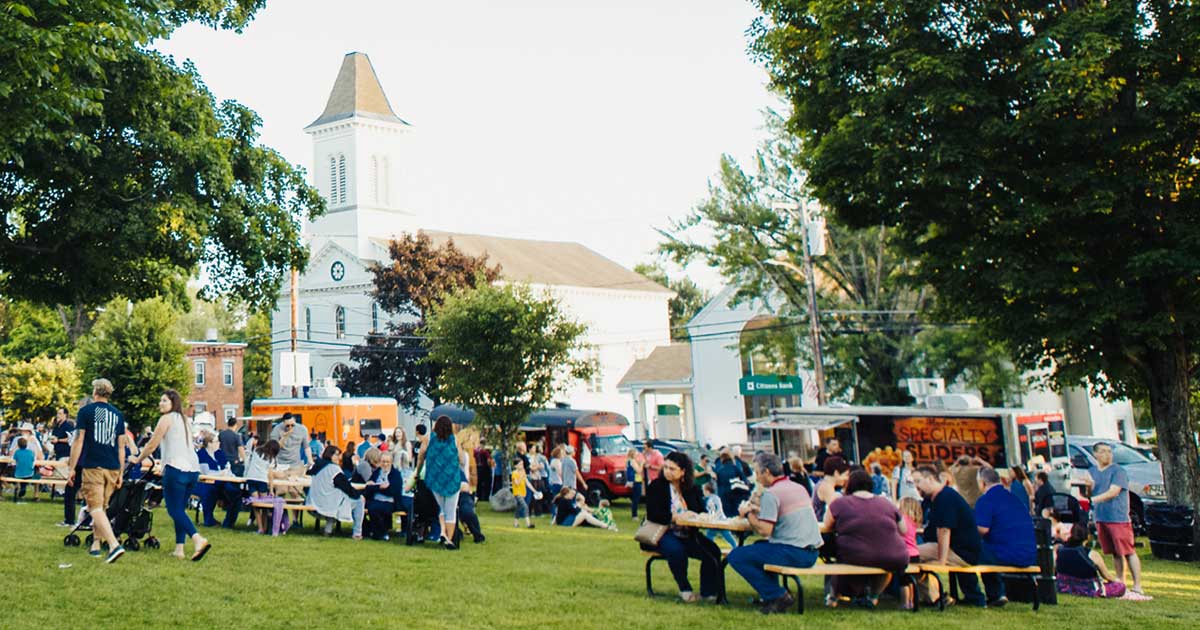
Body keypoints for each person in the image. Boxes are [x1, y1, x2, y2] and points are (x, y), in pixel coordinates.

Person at [728, 453, 823, 614]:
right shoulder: (798, 487)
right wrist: (759, 510)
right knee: (759, 548)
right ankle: (771, 596)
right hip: (811, 552)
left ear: (766, 472)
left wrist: (747, 514)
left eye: (757, 473)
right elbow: (785, 514)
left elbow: (765, 531)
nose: (756, 478)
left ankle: (777, 595)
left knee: (736, 556)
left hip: (794, 552)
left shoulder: (771, 494)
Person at [134, 389, 211, 561]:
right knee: (180, 511)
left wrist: (138, 459)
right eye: (160, 400)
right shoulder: (184, 420)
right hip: (192, 469)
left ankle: (198, 539)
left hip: (175, 469)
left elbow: (152, 444)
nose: (161, 403)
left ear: (173, 403)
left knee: (174, 510)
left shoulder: (165, 419)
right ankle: (179, 549)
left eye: (164, 401)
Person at [913, 465, 1000, 607]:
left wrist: (941, 561)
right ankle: (935, 596)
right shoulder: (937, 498)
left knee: (909, 555)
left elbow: (944, 531)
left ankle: (936, 597)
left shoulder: (944, 498)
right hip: (964, 550)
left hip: (961, 552)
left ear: (930, 479)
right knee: (914, 556)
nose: (916, 486)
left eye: (918, 481)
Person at [641, 451, 722, 603]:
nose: (667, 472)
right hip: (664, 532)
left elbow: (700, 509)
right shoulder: (656, 487)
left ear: (683, 471)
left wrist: (700, 515)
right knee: (676, 550)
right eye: (665, 468)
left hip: (688, 533)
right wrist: (674, 517)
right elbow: (653, 515)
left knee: (713, 551)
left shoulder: (692, 488)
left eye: (672, 469)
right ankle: (684, 589)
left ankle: (708, 592)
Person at [821, 469, 909, 607]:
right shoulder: (886, 503)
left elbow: (827, 525)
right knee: (885, 567)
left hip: (858, 554)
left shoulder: (840, 503)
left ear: (849, 485)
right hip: (895, 555)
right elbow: (904, 530)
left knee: (839, 560)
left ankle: (833, 597)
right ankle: (874, 596)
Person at [68, 378, 131, 564]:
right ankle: (96, 543)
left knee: (94, 507)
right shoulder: (117, 415)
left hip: (93, 465)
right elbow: (121, 446)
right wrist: (120, 471)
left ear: (95, 391)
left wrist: (72, 467)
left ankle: (113, 545)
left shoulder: (85, 412)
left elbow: (78, 440)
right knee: (101, 507)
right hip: (112, 466)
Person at [1085, 442, 1148, 597]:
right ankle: (1120, 582)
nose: (1107, 454)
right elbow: (1089, 491)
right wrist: (1088, 488)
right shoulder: (1092, 471)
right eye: (1103, 451)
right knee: (1114, 552)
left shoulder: (1118, 471)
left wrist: (1093, 499)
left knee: (1128, 551)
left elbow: (1113, 491)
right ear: (1096, 455)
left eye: (1109, 451)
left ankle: (1138, 585)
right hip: (1101, 517)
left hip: (1118, 517)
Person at [975, 467, 1036, 594]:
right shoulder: (1015, 499)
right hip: (1029, 555)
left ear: (982, 483)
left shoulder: (986, 500)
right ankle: (997, 593)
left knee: (972, 551)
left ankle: (985, 595)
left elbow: (982, 529)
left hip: (1006, 554)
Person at [1055, 522, 1142, 599]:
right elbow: (1107, 576)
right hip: (1087, 588)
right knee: (1119, 587)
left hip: (1063, 585)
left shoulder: (1060, 550)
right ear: (1088, 537)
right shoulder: (1092, 554)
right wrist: (1118, 581)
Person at [415, 415, 463, 550]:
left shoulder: (428, 439)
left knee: (441, 507)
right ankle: (448, 539)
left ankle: (443, 533)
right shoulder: (455, 440)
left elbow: (421, 456)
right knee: (451, 511)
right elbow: (461, 459)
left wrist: (418, 473)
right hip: (452, 479)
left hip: (435, 478)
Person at [307, 444, 364, 539]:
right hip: (327, 502)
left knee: (335, 499)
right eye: (336, 455)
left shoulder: (316, 466)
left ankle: (328, 530)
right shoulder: (334, 469)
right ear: (330, 455)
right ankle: (357, 533)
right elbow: (346, 487)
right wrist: (359, 494)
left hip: (314, 500)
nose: (339, 457)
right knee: (359, 501)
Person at [195, 432, 241, 529]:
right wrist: (221, 473)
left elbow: (227, 469)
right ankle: (209, 520)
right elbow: (206, 473)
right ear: (209, 443)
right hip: (205, 483)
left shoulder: (219, 453)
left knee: (235, 492)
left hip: (222, 482)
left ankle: (229, 522)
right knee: (209, 490)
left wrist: (227, 474)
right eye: (216, 441)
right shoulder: (201, 455)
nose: (219, 443)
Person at [243, 439, 284, 534]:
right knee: (264, 505)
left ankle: (260, 528)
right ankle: (265, 527)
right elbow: (270, 475)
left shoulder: (256, 451)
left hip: (251, 478)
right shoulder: (271, 458)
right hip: (262, 480)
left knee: (256, 505)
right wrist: (271, 489)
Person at [365, 451, 404, 540]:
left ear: (391, 463)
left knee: (377, 509)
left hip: (390, 501)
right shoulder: (376, 472)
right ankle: (375, 532)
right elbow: (369, 486)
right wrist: (380, 487)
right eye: (383, 462)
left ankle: (381, 532)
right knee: (370, 507)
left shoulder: (395, 474)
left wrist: (377, 487)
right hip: (375, 499)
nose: (385, 464)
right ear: (380, 462)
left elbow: (393, 491)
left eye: (387, 462)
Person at [269, 412, 310, 477]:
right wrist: (284, 437)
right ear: (283, 423)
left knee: (295, 486)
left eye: (292, 425)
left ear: (295, 422)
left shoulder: (302, 429)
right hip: (281, 464)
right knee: (282, 485)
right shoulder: (276, 430)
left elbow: (306, 446)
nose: (290, 427)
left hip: (296, 464)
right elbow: (275, 448)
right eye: (287, 426)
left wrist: (310, 460)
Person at [700, 482, 737, 547]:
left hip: (720, 520)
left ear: (707, 491)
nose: (703, 492)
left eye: (703, 490)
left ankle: (735, 547)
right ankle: (709, 548)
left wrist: (713, 517)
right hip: (714, 521)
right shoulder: (708, 499)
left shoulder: (714, 498)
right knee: (710, 535)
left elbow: (718, 510)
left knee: (727, 535)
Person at [813, 456, 849, 521]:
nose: (847, 478)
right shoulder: (826, 487)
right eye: (846, 475)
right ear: (836, 473)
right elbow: (837, 511)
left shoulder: (823, 484)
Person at [713, 448, 745, 517]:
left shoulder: (720, 471)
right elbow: (744, 482)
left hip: (724, 498)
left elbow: (718, 486)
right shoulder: (736, 468)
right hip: (736, 497)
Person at [511, 458, 536, 529]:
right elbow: (516, 483)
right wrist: (521, 477)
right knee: (525, 506)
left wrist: (534, 491)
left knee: (518, 508)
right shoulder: (514, 473)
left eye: (522, 464)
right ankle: (528, 523)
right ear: (515, 466)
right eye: (520, 465)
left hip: (523, 493)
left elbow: (527, 483)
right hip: (517, 493)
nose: (521, 466)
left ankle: (515, 523)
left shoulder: (523, 472)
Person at [625, 448, 643, 519]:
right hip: (636, 481)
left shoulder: (628, 461)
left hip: (633, 481)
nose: (637, 455)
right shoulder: (632, 461)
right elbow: (639, 471)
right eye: (636, 454)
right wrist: (641, 464)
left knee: (635, 498)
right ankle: (634, 515)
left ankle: (634, 514)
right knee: (636, 498)